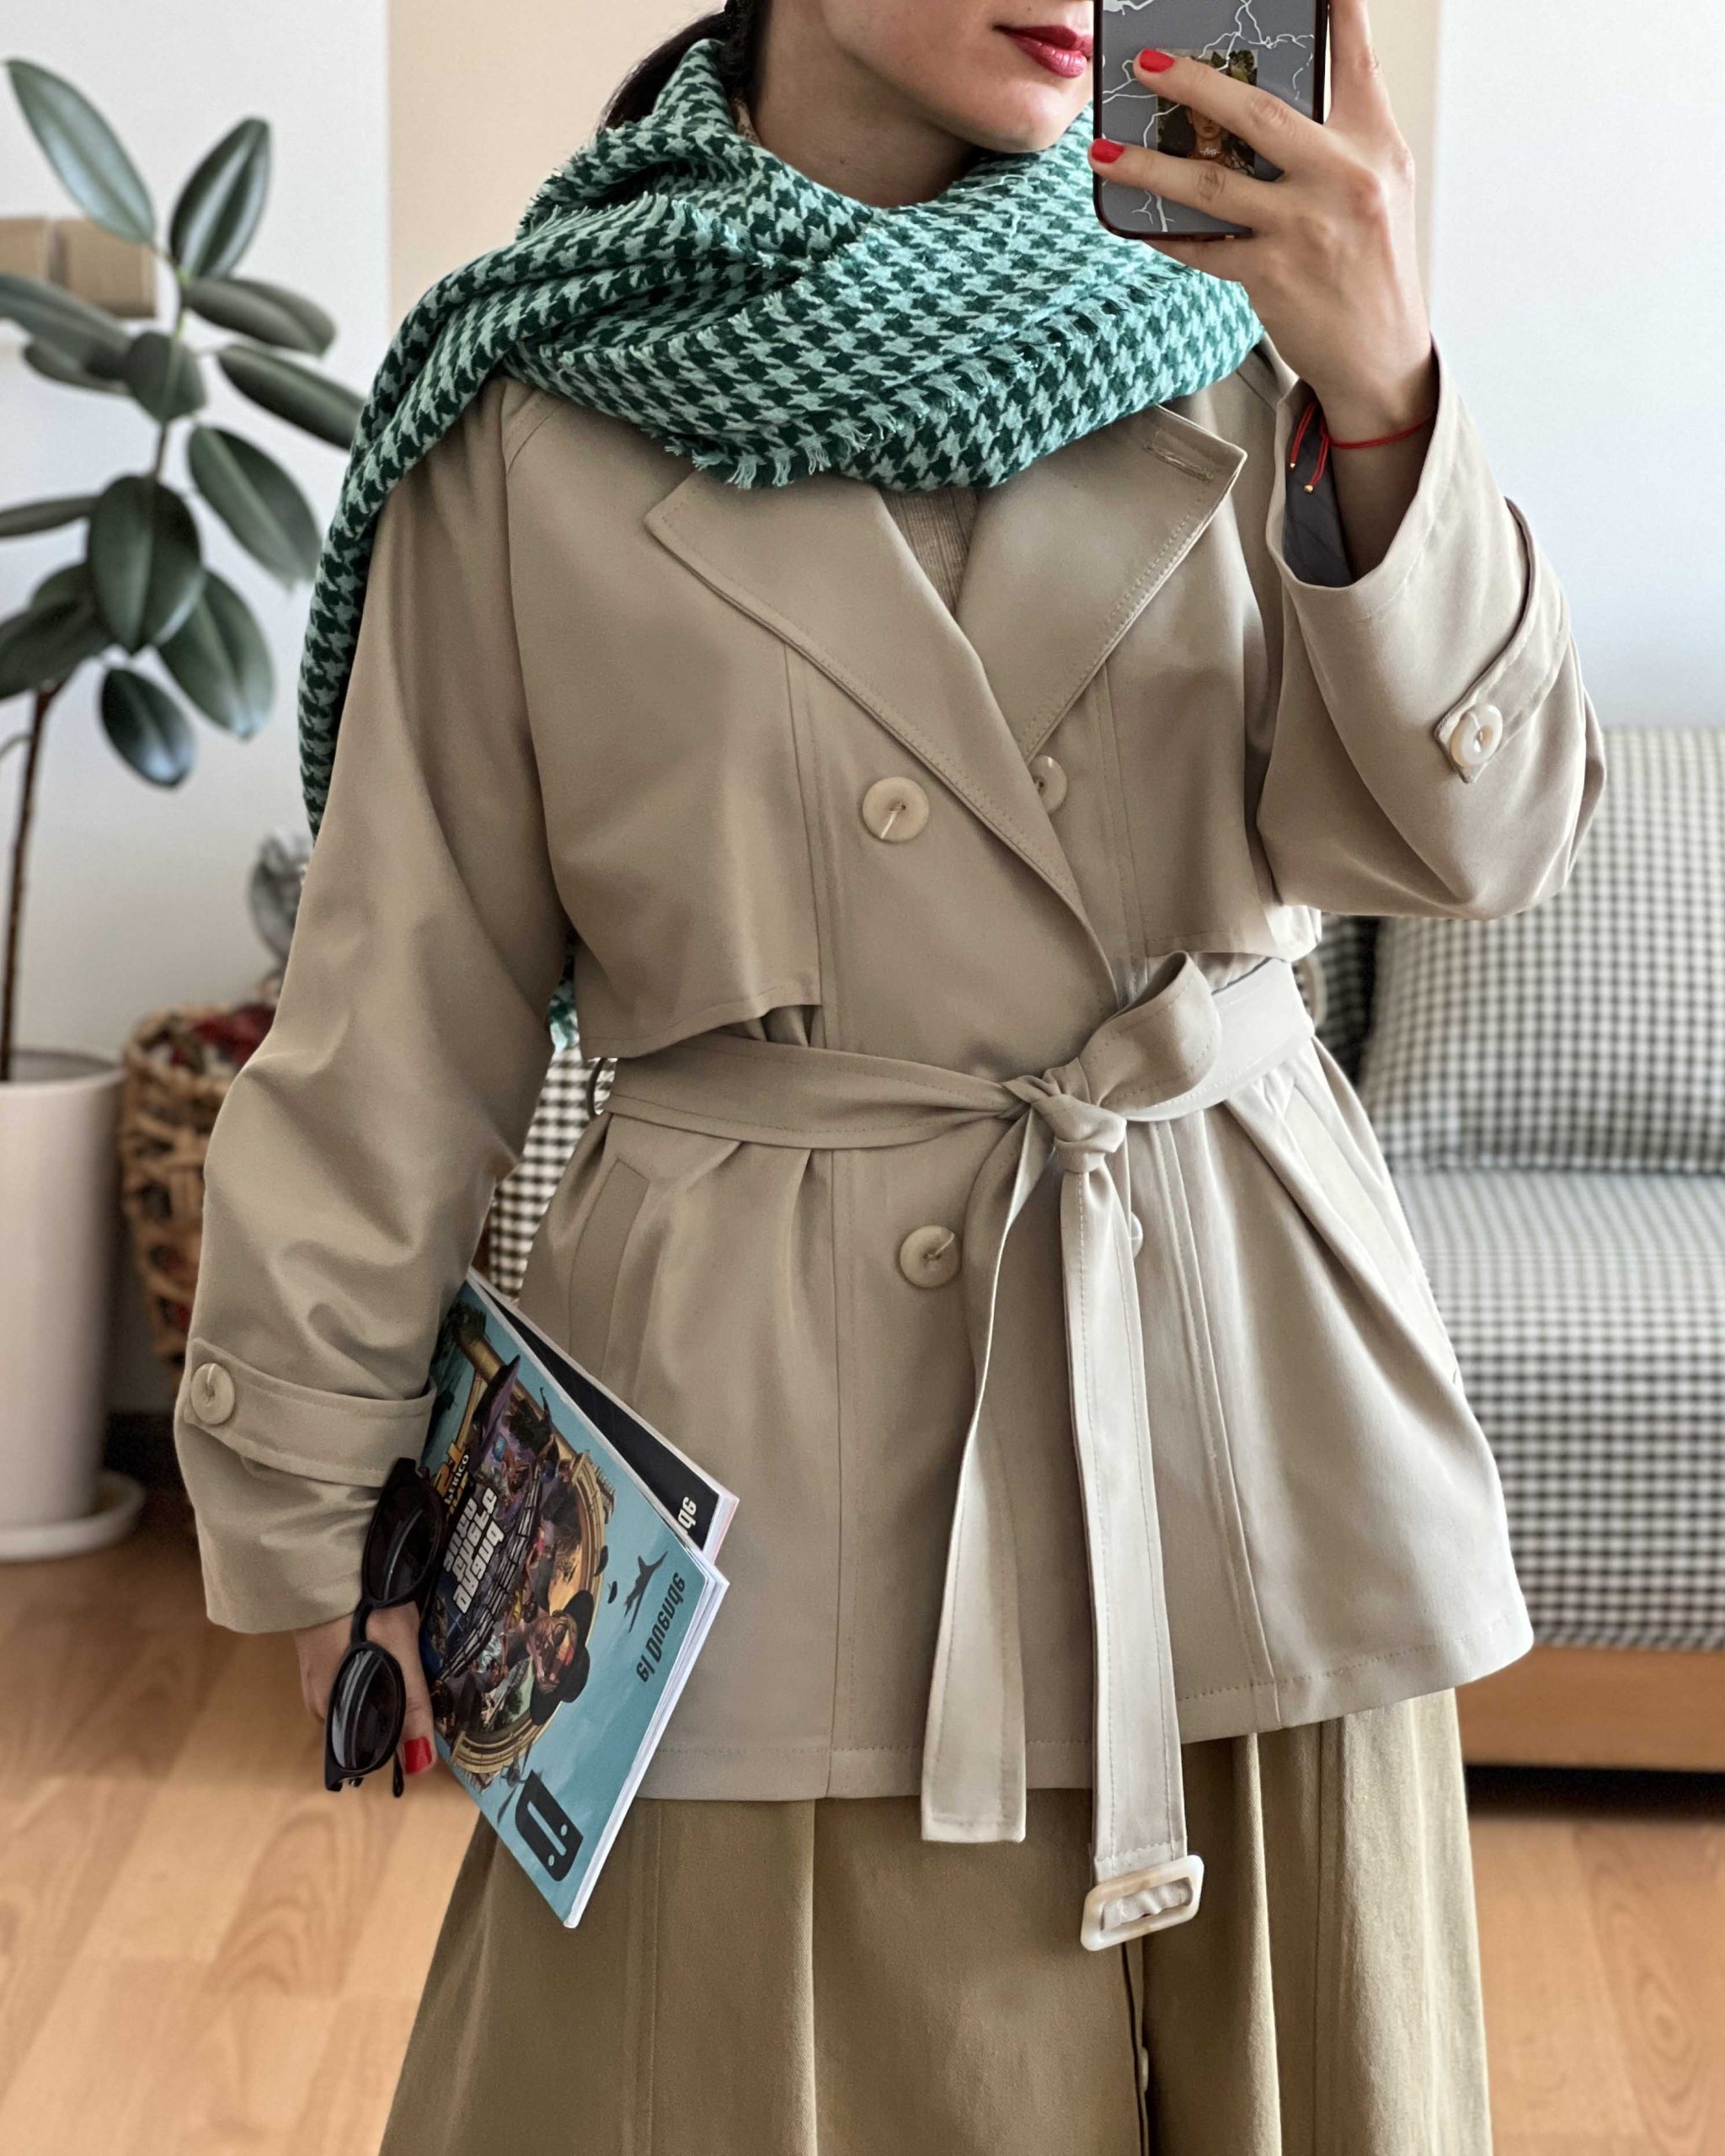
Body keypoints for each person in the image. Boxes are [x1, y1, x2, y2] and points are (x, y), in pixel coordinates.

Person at [171, 1, 1605, 2150]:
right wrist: (313, 1504)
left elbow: (1481, 846)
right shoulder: (530, 392)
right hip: (754, 1478)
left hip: (1235, 1414)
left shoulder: (1247, 305)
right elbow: (402, 1012)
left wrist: (1384, 388)